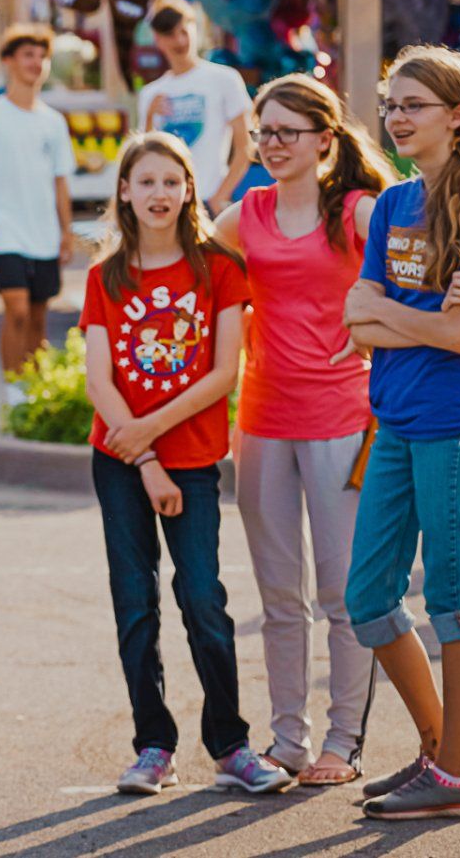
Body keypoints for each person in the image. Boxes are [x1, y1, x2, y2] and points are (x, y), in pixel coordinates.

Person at [80, 131, 294, 797]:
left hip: (195, 457)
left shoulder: (217, 268)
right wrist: (143, 454)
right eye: (145, 181)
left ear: (189, 189)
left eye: (171, 181)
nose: (159, 194)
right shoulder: (105, 275)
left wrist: (155, 434)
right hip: (122, 459)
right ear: (124, 191)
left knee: (203, 596)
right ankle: (153, 744)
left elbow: (223, 371)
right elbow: (99, 380)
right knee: (135, 601)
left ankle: (230, 742)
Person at [338, 45, 460, 819]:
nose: (397, 117)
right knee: (368, 597)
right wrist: (413, 315)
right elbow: (355, 318)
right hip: (394, 423)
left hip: (452, 425)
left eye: (414, 104)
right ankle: (442, 749)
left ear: (458, 114)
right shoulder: (390, 204)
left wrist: (390, 315)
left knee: (453, 598)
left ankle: (453, 776)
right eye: (391, 104)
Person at [210, 74, 396, 786]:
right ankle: (288, 739)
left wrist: (377, 328)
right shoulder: (245, 213)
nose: (274, 143)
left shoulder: (356, 210)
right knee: (279, 595)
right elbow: (196, 277)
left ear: (325, 138)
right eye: (264, 130)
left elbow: (415, 276)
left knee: (344, 592)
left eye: (289, 130)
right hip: (260, 419)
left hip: (341, 417)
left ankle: (344, 741)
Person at [0, 24, 77, 402]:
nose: (36, 63)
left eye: (41, 56)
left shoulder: (54, 122)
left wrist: (66, 231)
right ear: (9, 61)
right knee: (16, 310)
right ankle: (13, 390)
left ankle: (38, 389)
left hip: (44, 233)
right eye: (27, 55)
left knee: (39, 316)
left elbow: (61, 182)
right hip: (3, 231)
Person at [139, 0, 255, 213]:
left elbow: (245, 146)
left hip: (208, 201)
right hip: (167, 206)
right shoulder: (150, 94)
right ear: (158, 39)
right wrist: (149, 117)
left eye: (184, 31)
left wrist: (220, 196)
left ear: (195, 28)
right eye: (170, 34)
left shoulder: (224, 79)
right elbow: (143, 160)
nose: (180, 40)